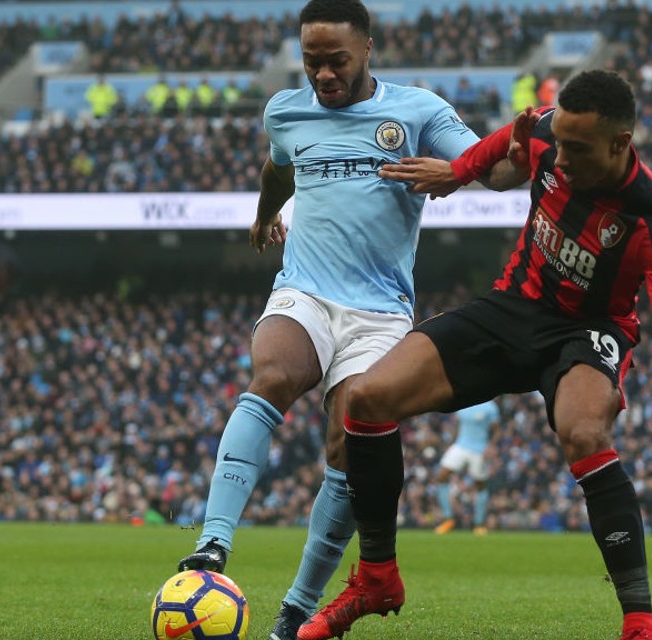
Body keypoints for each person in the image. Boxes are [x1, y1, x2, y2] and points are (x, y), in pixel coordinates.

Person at [296, 69, 652, 640]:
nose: (559, 160)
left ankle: (639, 621)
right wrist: (460, 171)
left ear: (620, 145)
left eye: (577, 149)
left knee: (584, 433)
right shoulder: (548, 136)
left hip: (588, 331)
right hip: (513, 307)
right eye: (559, 142)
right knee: (366, 399)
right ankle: (376, 577)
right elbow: (514, 137)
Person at [174, 2, 479, 639]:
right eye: (312, 61)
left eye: (336, 60)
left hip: (379, 314)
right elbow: (279, 165)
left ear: (367, 49)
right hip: (305, 291)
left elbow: (499, 167)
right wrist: (264, 214)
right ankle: (212, 546)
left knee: (348, 443)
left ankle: (296, 609)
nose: (323, 74)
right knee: (273, 374)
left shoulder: (418, 111)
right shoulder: (286, 110)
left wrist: (457, 171)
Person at [432, 399, 500, 536]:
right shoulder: (463, 402)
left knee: (480, 485)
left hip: (479, 449)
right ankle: (448, 519)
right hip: (461, 446)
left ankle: (479, 524)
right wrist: (452, 442)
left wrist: (491, 446)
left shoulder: (490, 407)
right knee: (441, 477)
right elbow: (459, 425)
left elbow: (497, 430)